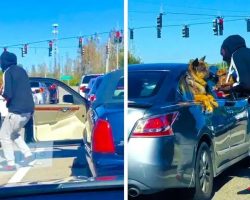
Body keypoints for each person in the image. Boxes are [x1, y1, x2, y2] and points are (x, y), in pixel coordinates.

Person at [0, 51, 35, 171]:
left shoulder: (7, 72)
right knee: (14, 133)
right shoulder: (22, 70)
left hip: (16, 111)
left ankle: (10, 163)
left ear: (4, 62)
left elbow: (8, 93)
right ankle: (28, 154)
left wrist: (1, 93)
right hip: (29, 111)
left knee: (4, 135)